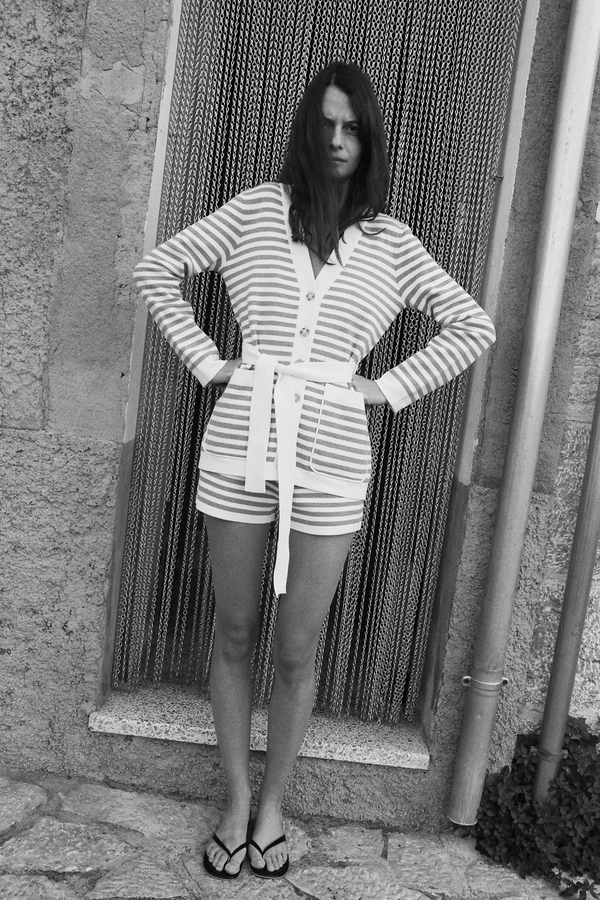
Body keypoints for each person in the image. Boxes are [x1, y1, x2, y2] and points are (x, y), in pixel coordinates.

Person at [133, 61, 496, 880]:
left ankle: (274, 806)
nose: (337, 140)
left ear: (369, 139)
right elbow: (158, 271)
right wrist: (210, 363)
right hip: (240, 444)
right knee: (233, 629)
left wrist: (385, 388)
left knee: (297, 647)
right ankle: (235, 800)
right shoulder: (257, 210)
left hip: (332, 460)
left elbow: (472, 326)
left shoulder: (390, 242)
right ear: (307, 127)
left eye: (352, 127)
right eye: (326, 123)